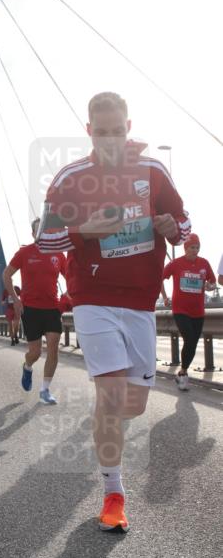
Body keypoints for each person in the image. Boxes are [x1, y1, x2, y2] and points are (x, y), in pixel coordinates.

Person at [38, 91, 191, 531]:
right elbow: (46, 241)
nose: (109, 139)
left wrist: (170, 227)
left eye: (117, 131)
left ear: (128, 127)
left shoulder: (152, 169)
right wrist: (85, 229)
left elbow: (183, 224)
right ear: (89, 131)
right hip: (92, 297)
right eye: (101, 132)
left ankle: (106, 424)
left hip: (141, 301)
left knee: (133, 406)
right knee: (109, 395)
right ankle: (113, 493)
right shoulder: (72, 178)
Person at [3, 219, 66, 405]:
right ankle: (27, 366)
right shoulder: (25, 252)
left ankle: (45, 390)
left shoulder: (58, 254)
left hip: (53, 308)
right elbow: (7, 274)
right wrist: (15, 299)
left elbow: (71, 277)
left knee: (53, 346)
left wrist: (67, 298)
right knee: (35, 352)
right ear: (33, 233)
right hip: (31, 309)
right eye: (39, 230)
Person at [162, 234, 216, 390]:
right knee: (190, 339)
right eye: (192, 247)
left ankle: (182, 372)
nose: (195, 250)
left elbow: (212, 282)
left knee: (192, 343)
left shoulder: (204, 263)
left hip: (198, 311)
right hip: (180, 309)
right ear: (185, 248)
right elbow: (161, 278)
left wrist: (210, 287)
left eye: (197, 247)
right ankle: (184, 376)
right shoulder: (176, 263)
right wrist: (165, 297)